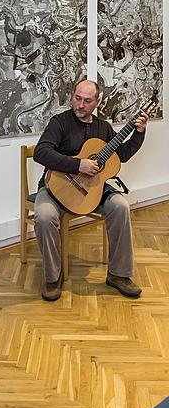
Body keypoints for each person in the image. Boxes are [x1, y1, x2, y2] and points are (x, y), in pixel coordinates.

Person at [33, 79, 149, 302]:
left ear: (97, 102)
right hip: (56, 187)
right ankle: (52, 277)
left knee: (121, 206)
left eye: (87, 101)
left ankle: (119, 275)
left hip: (92, 190)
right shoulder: (60, 122)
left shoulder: (103, 127)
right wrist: (78, 165)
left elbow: (121, 155)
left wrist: (139, 133)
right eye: (77, 98)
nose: (80, 105)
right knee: (44, 216)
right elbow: (41, 153)